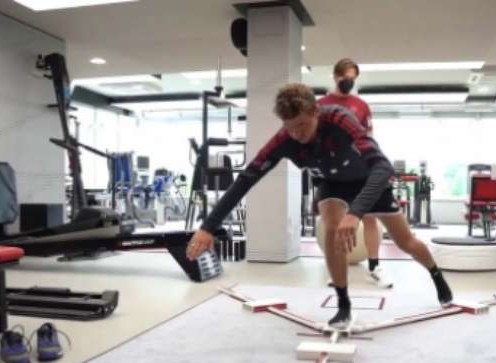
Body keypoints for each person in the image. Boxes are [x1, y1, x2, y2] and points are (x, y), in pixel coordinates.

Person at [186, 84, 453, 328]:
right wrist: (208, 227)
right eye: (290, 127)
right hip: (331, 183)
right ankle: (343, 304)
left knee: (406, 241)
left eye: (302, 125)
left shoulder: (339, 120)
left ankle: (437, 276)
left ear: (316, 111)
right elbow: (246, 179)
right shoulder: (284, 139)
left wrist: (356, 213)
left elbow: (382, 166)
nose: (297, 134)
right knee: (330, 229)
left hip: (369, 180)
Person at [317, 58, 393, 289]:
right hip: (335, 172)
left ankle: (374, 268)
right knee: (337, 221)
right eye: (345, 77)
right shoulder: (320, 104)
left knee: (369, 218)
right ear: (336, 76)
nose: (349, 81)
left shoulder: (361, 105)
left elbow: (369, 136)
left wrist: (376, 164)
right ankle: (337, 269)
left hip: (361, 169)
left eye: (353, 78)